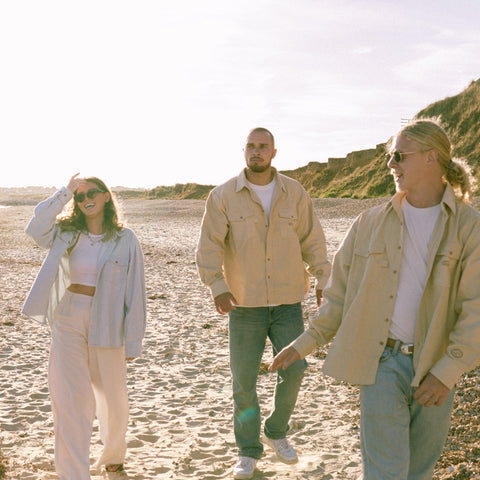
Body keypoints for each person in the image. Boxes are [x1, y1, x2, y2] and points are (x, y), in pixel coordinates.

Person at [270, 118, 480, 480]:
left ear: (432, 158)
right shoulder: (368, 222)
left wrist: (446, 373)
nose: (390, 164)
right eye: (390, 156)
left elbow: (475, 309)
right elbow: (338, 296)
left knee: (419, 471)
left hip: (435, 366)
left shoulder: (469, 227)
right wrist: (305, 343)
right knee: (386, 473)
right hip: (381, 363)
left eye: (399, 155)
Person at [196, 127, 331, 479]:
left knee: (295, 369)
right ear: (244, 152)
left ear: (274, 152)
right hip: (244, 304)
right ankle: (248, 450)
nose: (257, 152)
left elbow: (312, 240)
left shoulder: (294, 192)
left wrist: (322, 279)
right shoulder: (223, 195)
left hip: (288, 300)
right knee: (243, 381)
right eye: (251, 147)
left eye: (263, 147)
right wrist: (217, 285)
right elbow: (209, 246)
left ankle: (275, 431)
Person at [22, 174, 146, 479]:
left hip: (108, 322)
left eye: (92, 193)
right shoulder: (65, 232)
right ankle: (74, 473)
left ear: (106, 196)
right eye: (80, 196)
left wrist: (133, 342)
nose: (86, 199)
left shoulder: (125, 239)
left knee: (114, 400)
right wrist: (64, 192)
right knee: (72, 399)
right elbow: (35, 229)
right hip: (67, 318)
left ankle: (113, 456)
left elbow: (136, 292)